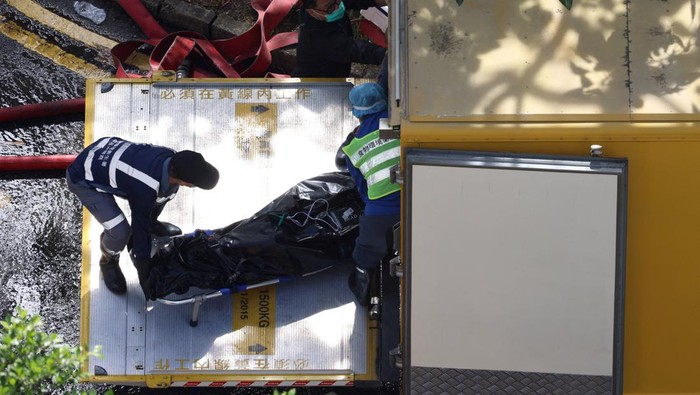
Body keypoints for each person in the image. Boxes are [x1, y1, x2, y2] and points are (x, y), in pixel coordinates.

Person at [66, 137, 219, 296]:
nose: (191, 186)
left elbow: (157, 193)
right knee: (120, 231)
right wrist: (144, 274)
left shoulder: (172, 157)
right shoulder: (144, 187)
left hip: (107, 149)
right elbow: (140, 229)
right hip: (83, 179)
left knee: (167, 191)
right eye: (193, 184)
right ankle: (108, 261)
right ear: (185, 181)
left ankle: (154, 223)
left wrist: (149, 222)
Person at [341, 82, 400, 306]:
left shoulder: (353, 147)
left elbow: (363, 191)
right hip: (418, 197)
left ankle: (363, 287)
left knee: (365, 253)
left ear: (357, 113)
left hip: (381, 214)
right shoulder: (393, 123)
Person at [292, 0, 388, 78]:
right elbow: (359, 51)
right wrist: (391, 56)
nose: (337, 7)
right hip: (319, 85)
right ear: (311, 11)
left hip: (339, 68)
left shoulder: (330, 3)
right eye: (329, 7)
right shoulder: (317, 38)